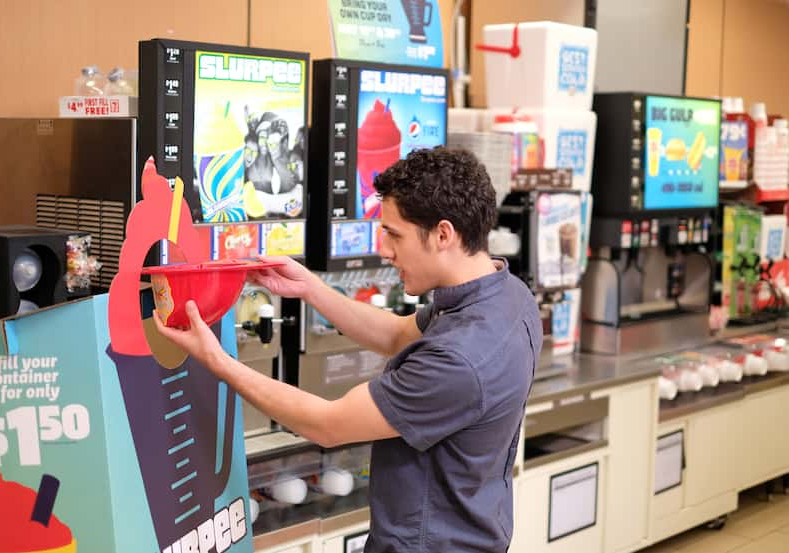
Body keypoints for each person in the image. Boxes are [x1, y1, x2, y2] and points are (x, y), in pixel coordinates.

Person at [154, 146, 543, 552]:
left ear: (443, 234)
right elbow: (396, 334)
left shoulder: (459, 360)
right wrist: (312, 289)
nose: (385, 250)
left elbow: (327, 424)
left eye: (394, 234)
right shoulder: (508, 296)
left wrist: (217, 360)